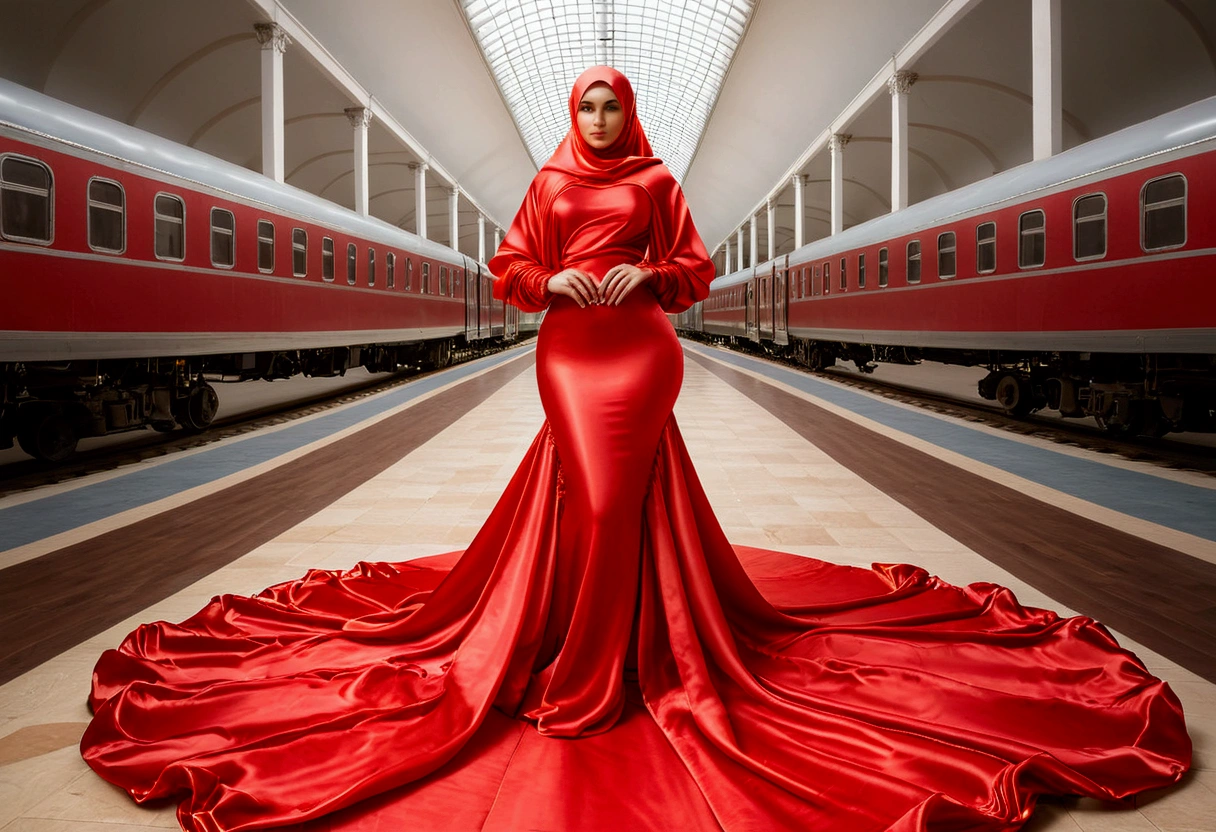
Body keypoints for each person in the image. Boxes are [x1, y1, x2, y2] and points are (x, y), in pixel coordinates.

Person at [81, 66, 1190, 832]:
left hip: (643, 350)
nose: (603, 117)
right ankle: (577, 652)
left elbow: (698, 270)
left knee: (615, 494)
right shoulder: (550, 186)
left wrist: (651, 277)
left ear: (631, 111)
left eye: (615, 103)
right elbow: (509, 267)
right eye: (591, 103)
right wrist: (551, 278)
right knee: (598, 493)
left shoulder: (659, 185)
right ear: (576, 110)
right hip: (569, 351)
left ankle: (602, 659)